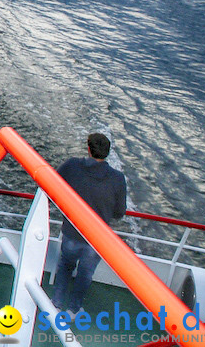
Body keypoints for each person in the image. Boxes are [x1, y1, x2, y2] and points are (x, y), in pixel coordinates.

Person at [52, 133, 127, 315]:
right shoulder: (118, 178)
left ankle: (56, 304)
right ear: (107, 153)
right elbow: (119, 213)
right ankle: (73, 309)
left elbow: (52, 183)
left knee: (65, 266)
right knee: (85, 274)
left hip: (72, 231)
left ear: (88, 148)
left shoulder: (72, 166)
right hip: (96, 239)